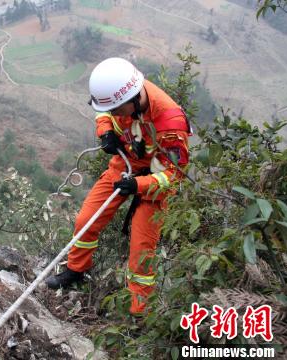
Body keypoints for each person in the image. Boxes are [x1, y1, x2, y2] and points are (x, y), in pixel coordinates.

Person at [45, 58, 191, 315]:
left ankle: (139, 311)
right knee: (85, 220)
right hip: (124, 166)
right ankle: (76, 271)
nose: (113, 115)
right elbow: (104, 110)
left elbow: (174, 176)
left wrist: (138, 185)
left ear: (134, 99)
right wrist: (106, 132)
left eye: (116, 111)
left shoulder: (170, 123)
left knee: (141, 252)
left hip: (154, 184)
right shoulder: (120, 96)